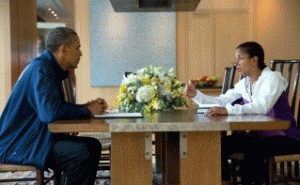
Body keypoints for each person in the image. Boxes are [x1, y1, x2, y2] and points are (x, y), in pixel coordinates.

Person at [0, 27, 108, 185]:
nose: (81, 53)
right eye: (77, 47)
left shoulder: (49, 68)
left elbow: (54, 107)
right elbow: (50, 113)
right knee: (83, 152)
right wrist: (87, 110)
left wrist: (85, 107)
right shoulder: (41, 69)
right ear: (63, 49)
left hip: (36, 138)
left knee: (92, 145)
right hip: (19, 143)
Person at [185, 41, 300, 184]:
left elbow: (261, 106)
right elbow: (222, 101)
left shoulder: (272, 79)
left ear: (254, 60)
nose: (235, 63)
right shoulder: (244, 83)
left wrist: (227, 110)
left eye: (240, 58)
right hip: (259, 135)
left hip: (286, 136)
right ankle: (223, 182)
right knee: (219, 144)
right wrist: (196, 95)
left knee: (253, 151)